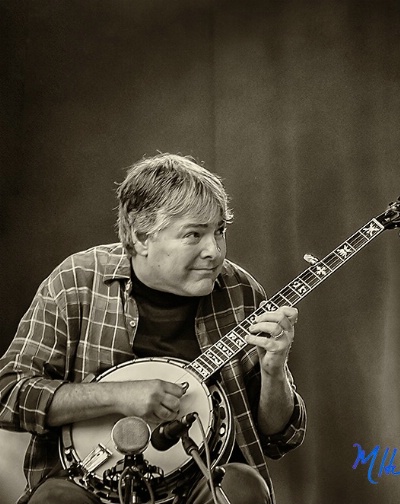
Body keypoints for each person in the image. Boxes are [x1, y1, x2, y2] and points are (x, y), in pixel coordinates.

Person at [0, 153, 306, 503]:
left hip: (205, 481)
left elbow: (280, 436)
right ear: (141, 237)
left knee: (243, 489)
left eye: (219, 230)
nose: (215, 251)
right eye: (194, 234)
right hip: (86, 485)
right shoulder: (76, 283)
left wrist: (274, 371)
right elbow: (8, 394)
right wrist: (118, 395)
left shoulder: (240, 291)